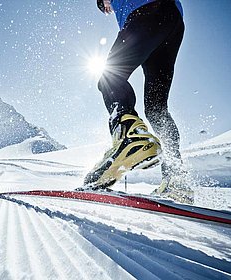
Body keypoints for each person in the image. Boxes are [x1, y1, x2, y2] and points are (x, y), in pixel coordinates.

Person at [83, 0, 193, 203]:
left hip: (145, 13)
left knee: (109, 77)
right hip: (173, 21)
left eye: (105, 5)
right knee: (156, 108)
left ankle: (130, 138)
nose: (108, 9)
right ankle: (176, 179)